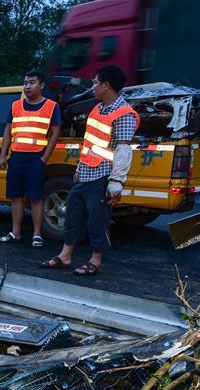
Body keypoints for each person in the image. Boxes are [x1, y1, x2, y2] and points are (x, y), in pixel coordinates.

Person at [40, 65, 139, 276]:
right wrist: (79, 168)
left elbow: (123, 149)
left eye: (95, 82)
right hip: (86, 173)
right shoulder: (98, 108)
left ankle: (95, 261)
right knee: (74, 216)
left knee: (97, 221)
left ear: (106, 85)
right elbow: (89, 143)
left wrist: (117, 181)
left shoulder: (124, 113)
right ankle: (65, 256)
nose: (93, 86)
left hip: (103, 176)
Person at [0, 70, 61, 248]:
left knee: (35, 197)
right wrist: (3, 154)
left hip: (36, 158)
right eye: (25, 82)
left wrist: (44, 158)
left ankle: (36, 235)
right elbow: (8, 131)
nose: (27, 86)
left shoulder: (51, 106)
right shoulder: (15, 106)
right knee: (15, 196)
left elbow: (56, 132)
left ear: (41, 85)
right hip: (16, 156)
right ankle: (15, 232)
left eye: (32, 82)